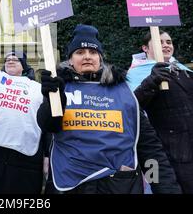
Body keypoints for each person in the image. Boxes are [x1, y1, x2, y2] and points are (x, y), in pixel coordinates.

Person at [37, 24, 182, 194]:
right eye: (79, 52)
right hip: (71, 186)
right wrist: (53, 98)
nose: (87, 57)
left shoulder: (123, 92)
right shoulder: (60, 89)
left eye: (93, 52)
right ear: (70, 59)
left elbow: (149, 149)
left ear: (101, 58)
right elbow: (48, 125)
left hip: (121, 185)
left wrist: (164, 188)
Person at [129, 29, 193, 193]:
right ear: (145, 48)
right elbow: (132, 107)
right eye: (159, 42)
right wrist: (152, 81)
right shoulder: (136, 75)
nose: (166, 45)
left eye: (169, 42)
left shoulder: (183, 71)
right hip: (180, 155)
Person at [0, 50, 49, 194]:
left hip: (23, 159)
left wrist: (46, 154)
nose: (10, 61)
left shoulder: (38, 88)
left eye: (15, 60)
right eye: (7, 59)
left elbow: (46, 123)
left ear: (24, 66)